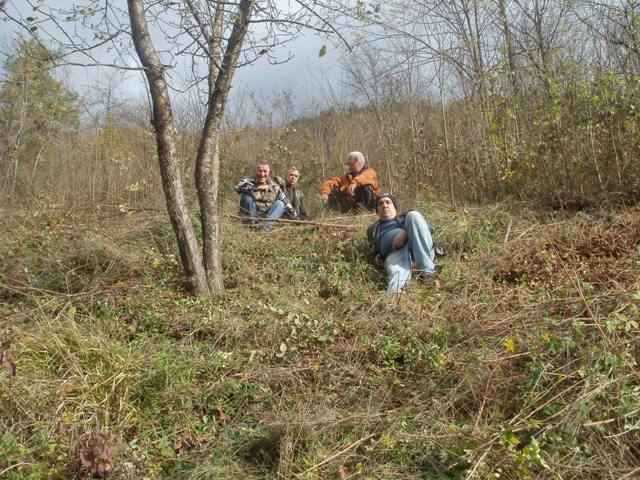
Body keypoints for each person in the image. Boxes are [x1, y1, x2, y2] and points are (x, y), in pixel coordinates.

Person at [367, 193, 437, 294]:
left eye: (388, 202)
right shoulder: (372, 229)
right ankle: (395, 301)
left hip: (417, 249)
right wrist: (376, 257)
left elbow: (428, 228)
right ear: (377, 211)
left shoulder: (406, 217)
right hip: (393, 255)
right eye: (380, 204)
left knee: (414, 214)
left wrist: (405, 233)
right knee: (396, 288)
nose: (384, 205)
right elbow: (373, 249)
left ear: (395, 208)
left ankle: (427, 273)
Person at [234, 162, 299, 230]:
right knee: (247, 197)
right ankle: (250, 227)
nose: (262, 174)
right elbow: (237, 188)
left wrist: (298, 220)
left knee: (280, 204)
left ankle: (264, 229)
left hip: (266, 217)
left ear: (269, 173)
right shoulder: (247, 180)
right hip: (251, 216)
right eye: (259, 171)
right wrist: (256, 188)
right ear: (255, 171)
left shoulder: (274, 186)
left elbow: (287, 205)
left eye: (265, 171)